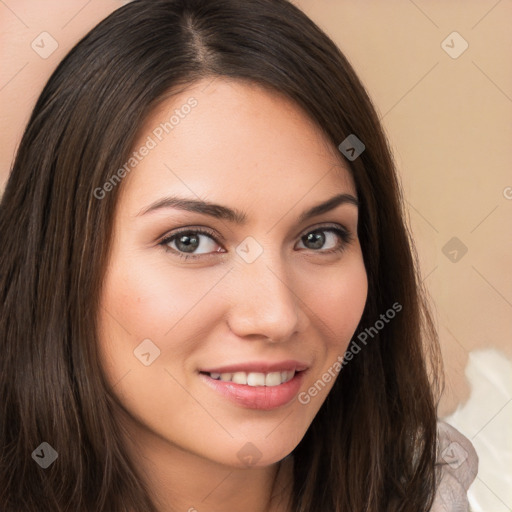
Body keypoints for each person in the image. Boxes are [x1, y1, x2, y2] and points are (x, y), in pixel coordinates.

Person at [0, 0, 477, 510]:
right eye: (191, 241)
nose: (275, 316)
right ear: (59, 259)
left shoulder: (426, 492)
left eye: (318, 237)